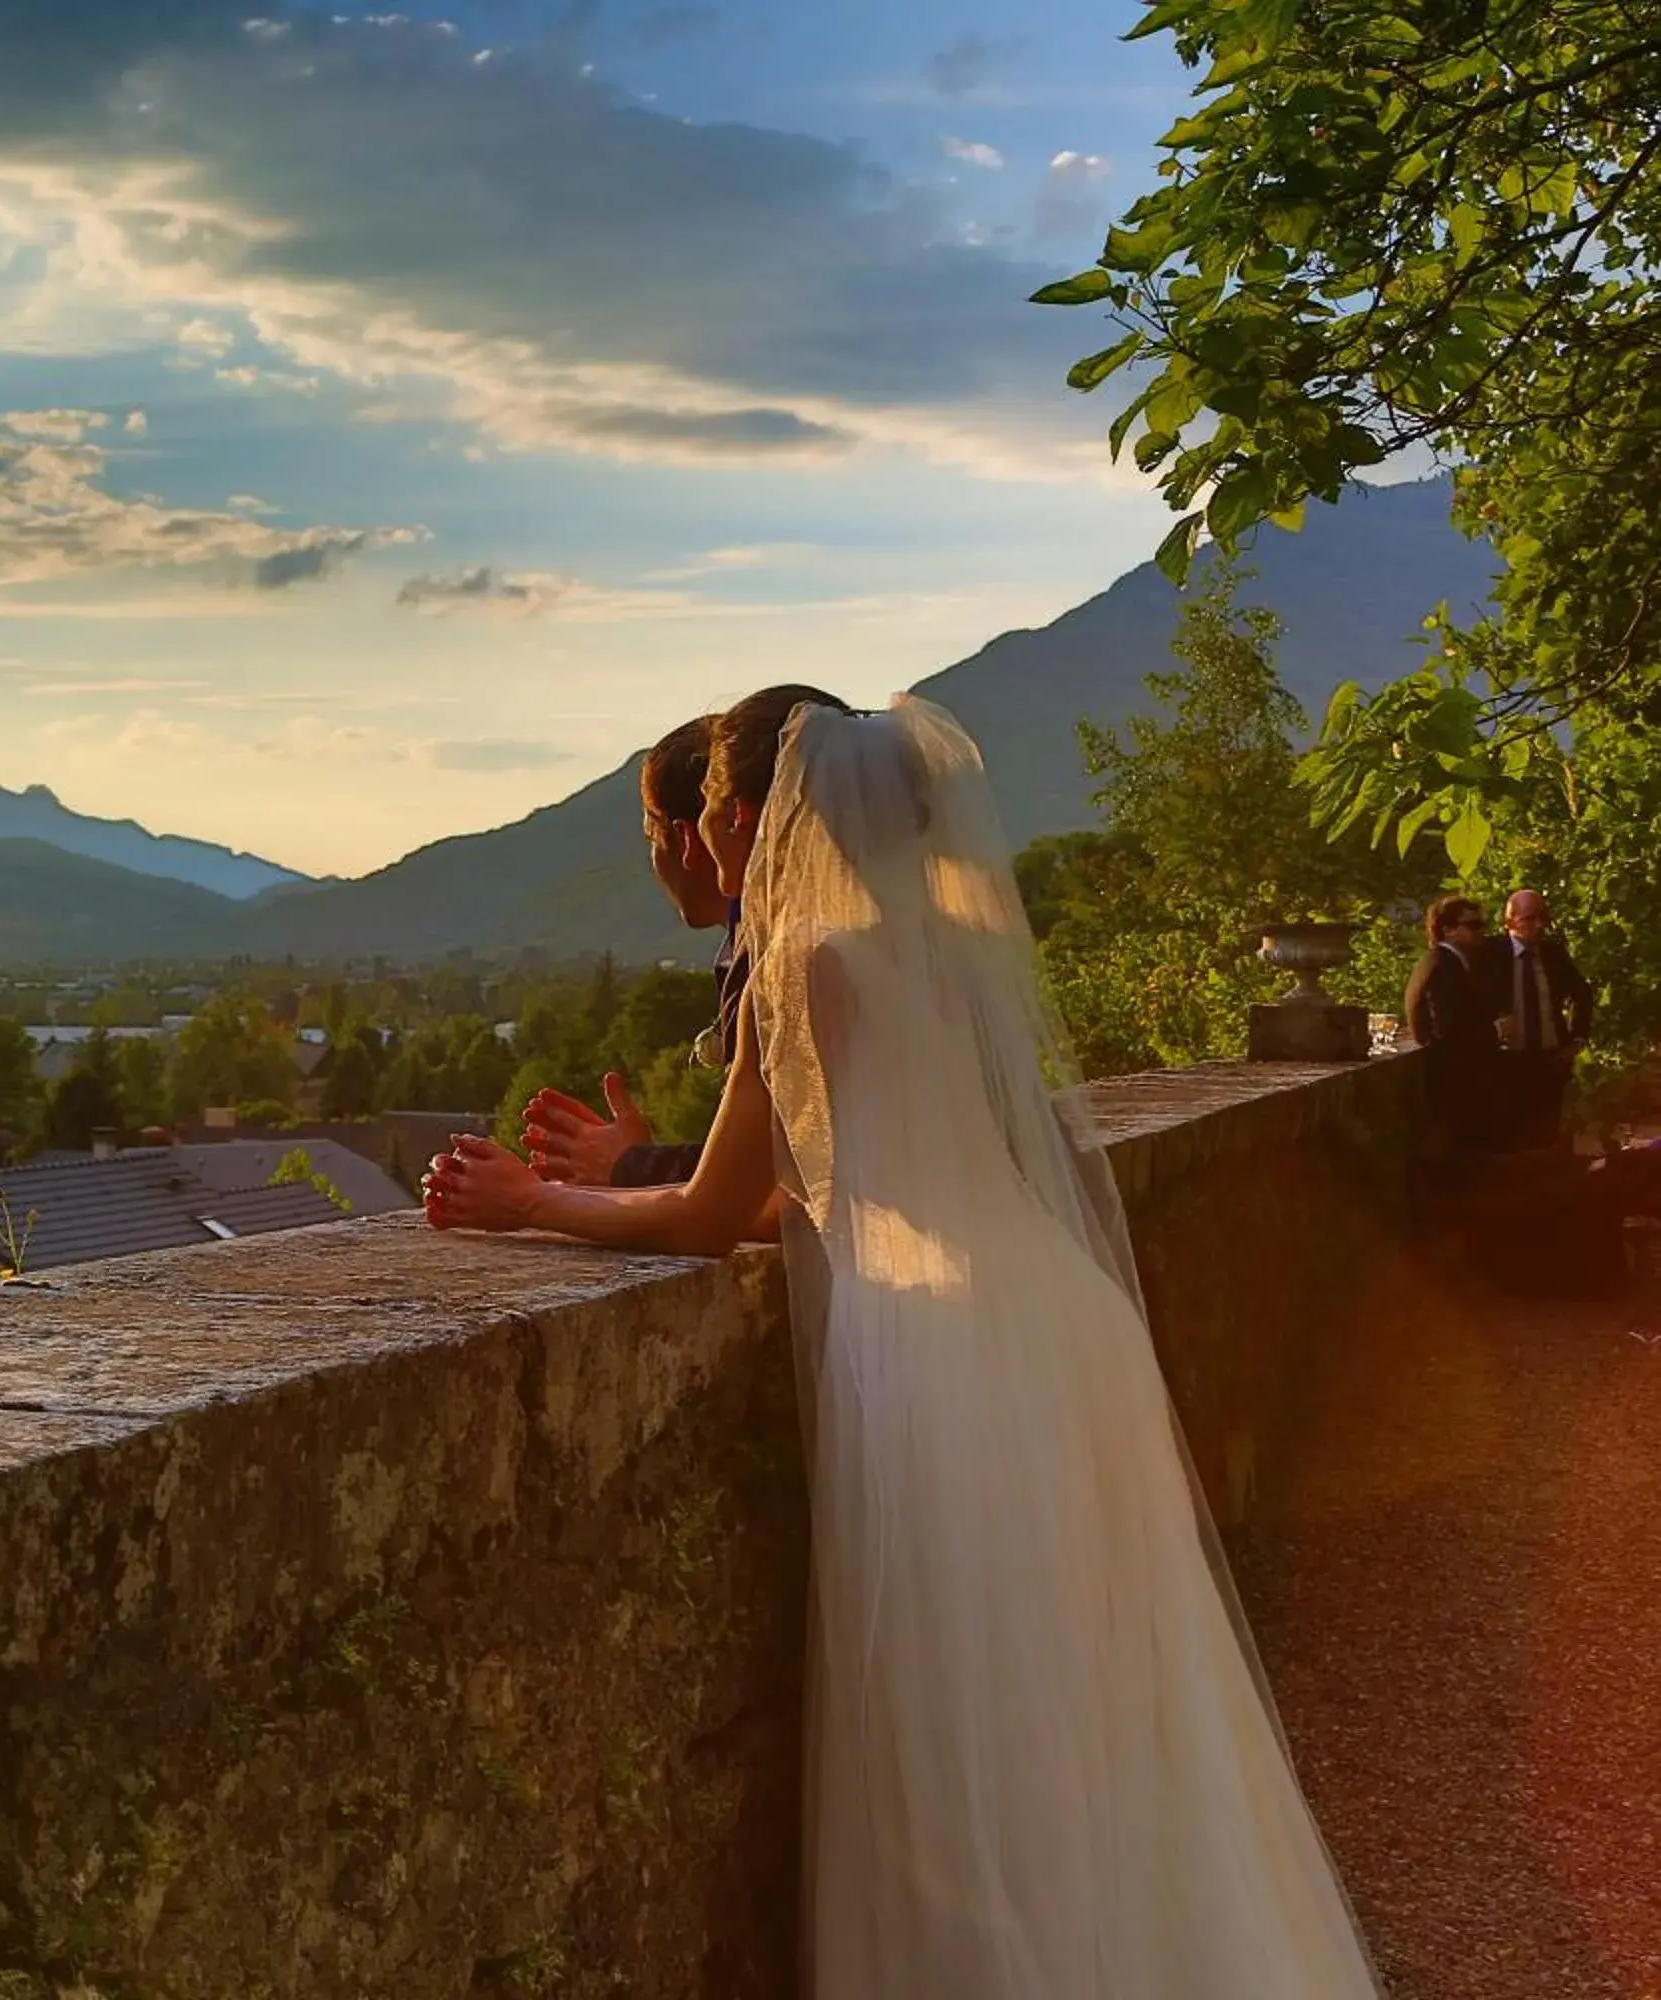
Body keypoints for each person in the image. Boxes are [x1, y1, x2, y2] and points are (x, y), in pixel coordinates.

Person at [424, 689, 1382, 1996]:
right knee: (1105, 1706)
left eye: (717, 813)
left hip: (942, 1363)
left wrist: (533, 1202)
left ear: (765, 816)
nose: (715, 841)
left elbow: (714, 1215)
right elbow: (824, 1187)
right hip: (1060, 1326)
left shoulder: (802, 968)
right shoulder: (947, 941)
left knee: (962, 1733)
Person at [521, 688, 850, 1191]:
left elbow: (779, 1187)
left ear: (693, 835)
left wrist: (622, 1171)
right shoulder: (883, 939)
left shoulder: (789, 961)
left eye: (655, 840)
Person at [1402, 894, 1507, 1156]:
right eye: (1473, 925)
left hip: (1455, 1079)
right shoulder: (1443, 966)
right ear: (1447, 930)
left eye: (1482, 924)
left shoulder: (1443, 962)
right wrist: (1496, 1030)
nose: (1481, 932)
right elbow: (1446, 1031)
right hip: (1453, 1081)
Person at [1494, 888, 1592, 1148]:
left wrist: (1577, 1038)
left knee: (1548, 1136)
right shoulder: (1492, 955)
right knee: (1512, 1141)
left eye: (1543, 918)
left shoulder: (1552, 954)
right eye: (1529, 919)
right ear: (1510, 921)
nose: (1538, 926)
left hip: (1550, 1059)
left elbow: (1582, 994)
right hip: (1507, 1064)